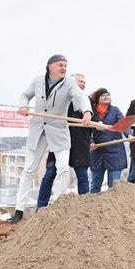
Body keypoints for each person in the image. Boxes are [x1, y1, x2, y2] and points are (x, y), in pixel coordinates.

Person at [11, 55, 93, 224]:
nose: (64, 68)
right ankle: (19, 209)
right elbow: (25, 95)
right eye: (60, 65)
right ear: (50, 66)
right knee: (29, 169)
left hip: (59, 131)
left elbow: (81, 97)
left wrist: (87, 112)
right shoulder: (38, 80)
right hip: (38, 130)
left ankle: (59, 205)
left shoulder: (69, 83)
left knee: (62, 167)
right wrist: (23, 105)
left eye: (65, 65)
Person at [37, 74, 92, 207]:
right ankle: (41, 206)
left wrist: (95, 126)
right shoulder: (59, 99)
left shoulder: (86, 102)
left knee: (82, 176)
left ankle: (85, 208)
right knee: (50, 174)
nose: (83, 84)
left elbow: (92, 124)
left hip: (80, 143)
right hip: (60, 141)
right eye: (80, 81)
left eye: (84, 82)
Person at [89, 88, 128, 192]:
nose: (106, 97)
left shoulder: (115, 110)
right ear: (97, 98)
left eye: (108, 95)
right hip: (98, 151)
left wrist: (129, 135)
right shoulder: (90, 112)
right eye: (103, 95)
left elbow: (123, 123)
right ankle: (92, 206)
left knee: (114, 186)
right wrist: (91, 142)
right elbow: (85, 131)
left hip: (114, 151)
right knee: (95, 185)